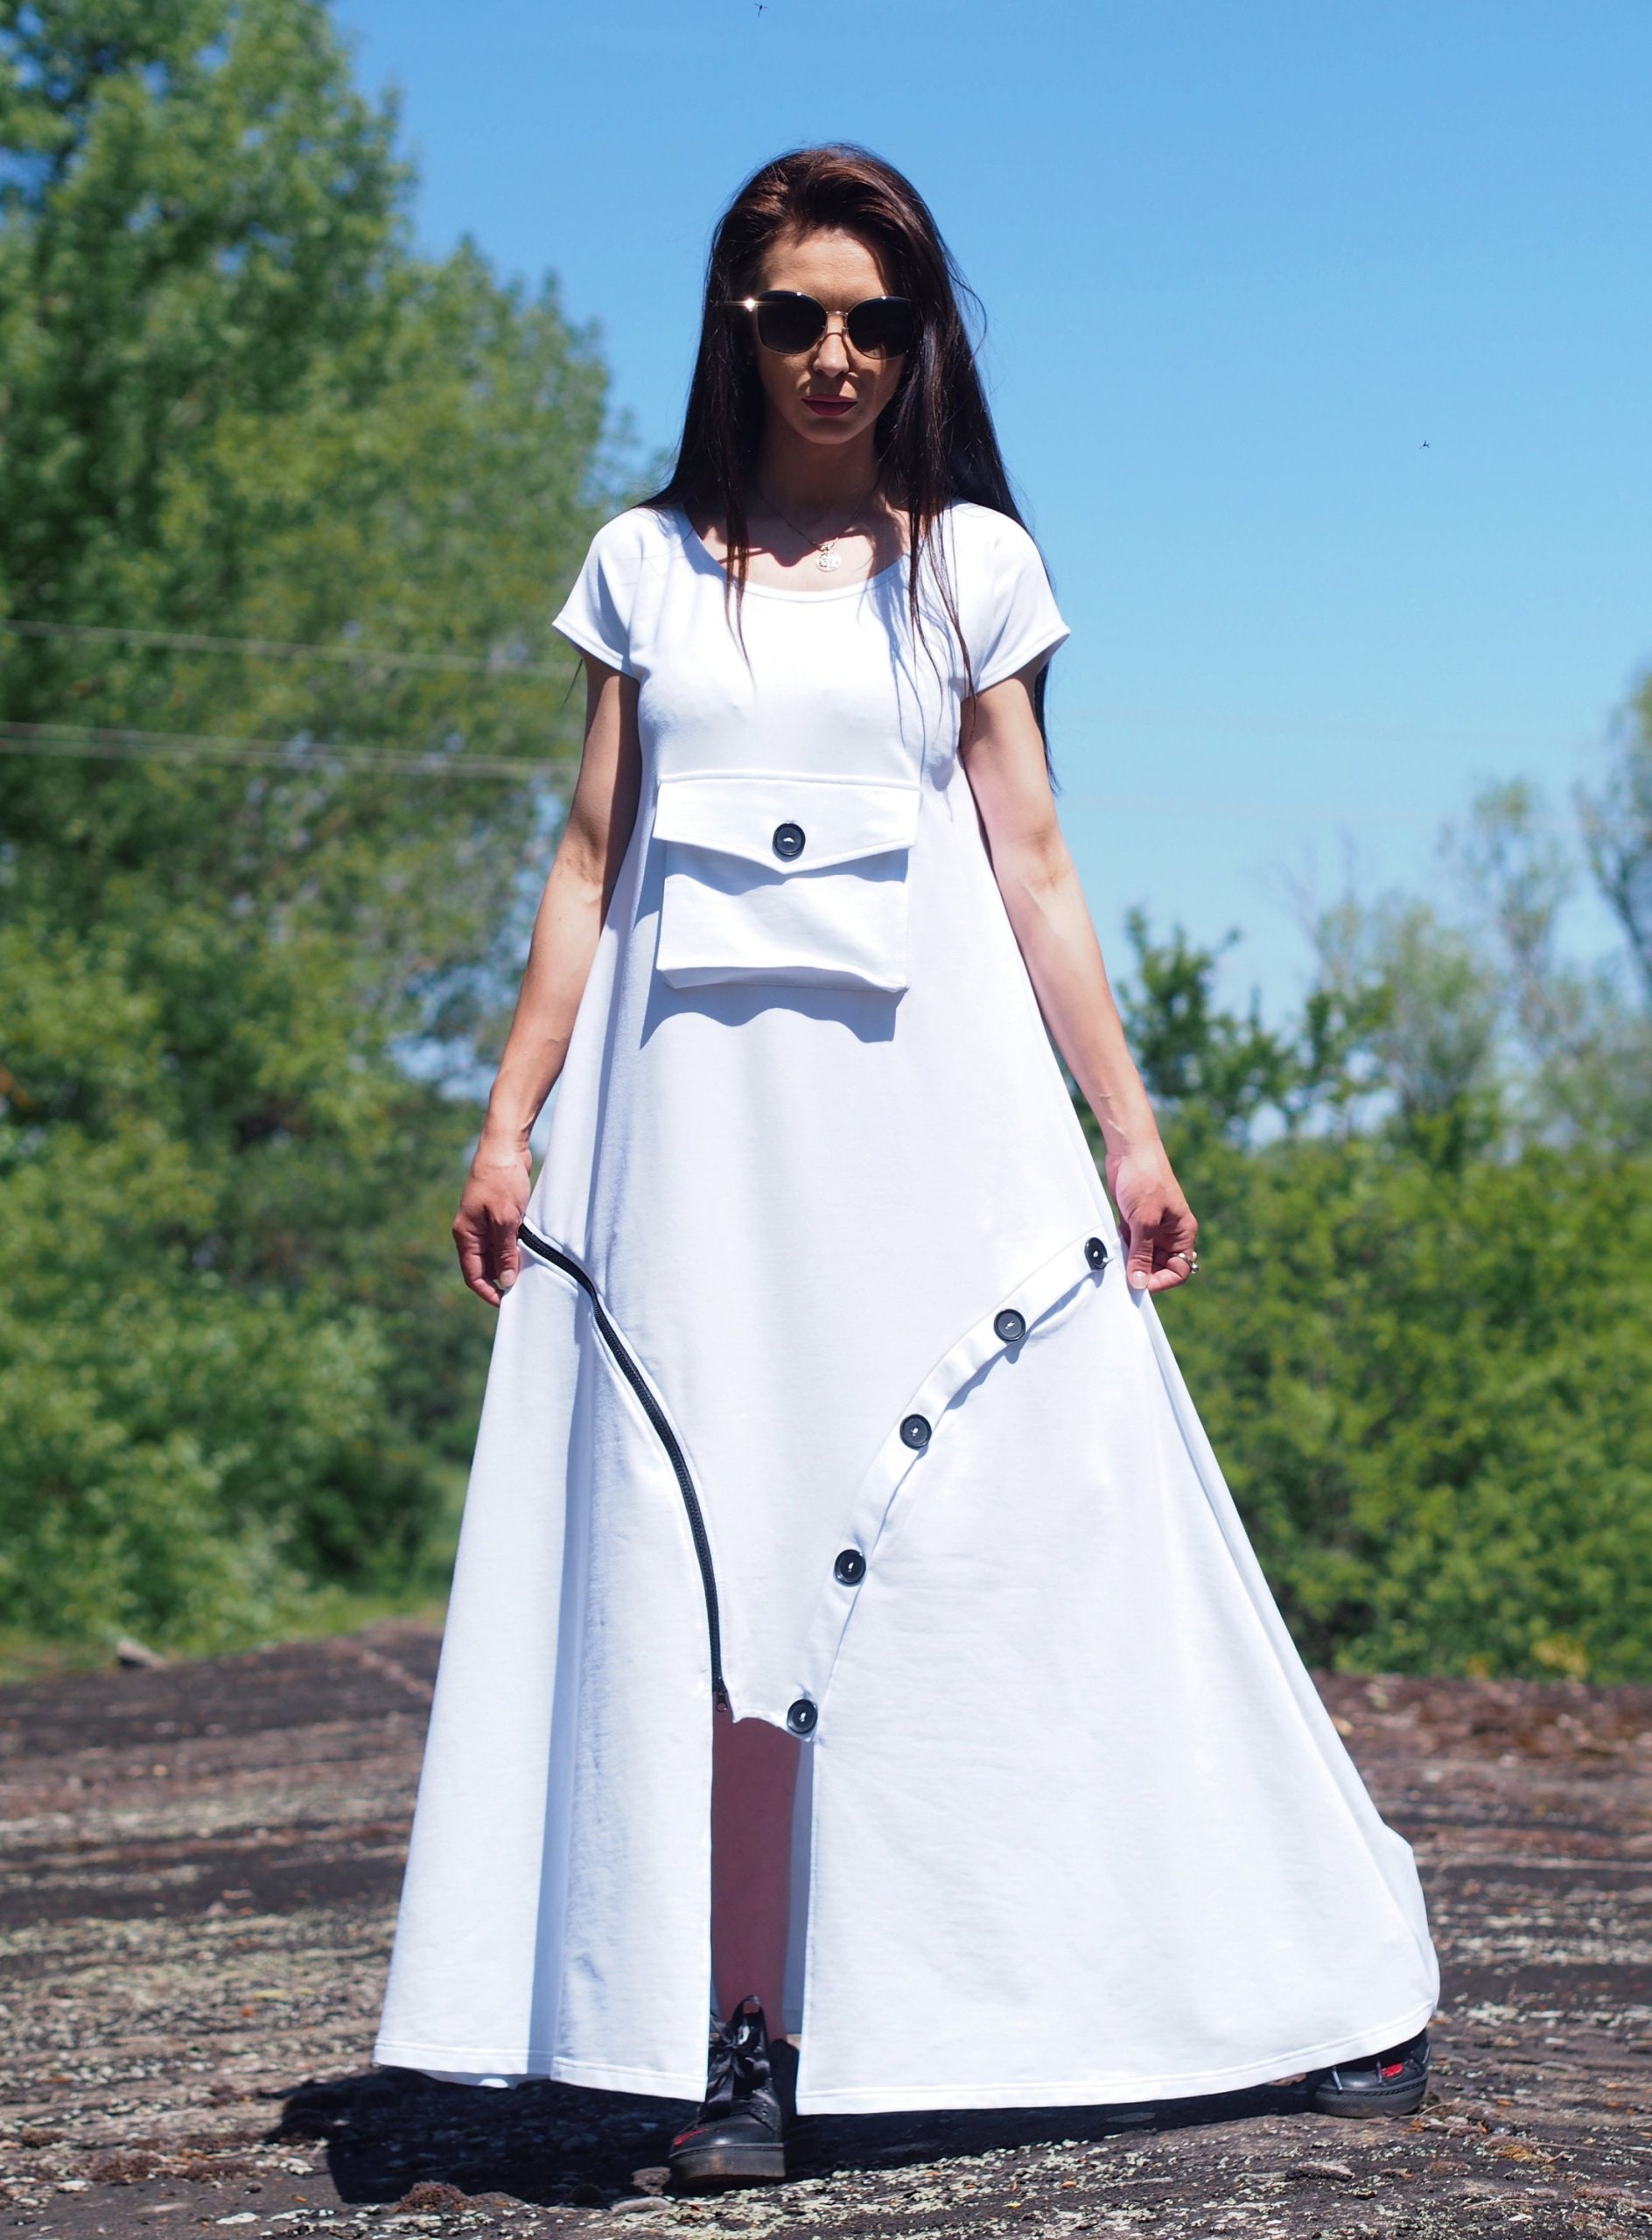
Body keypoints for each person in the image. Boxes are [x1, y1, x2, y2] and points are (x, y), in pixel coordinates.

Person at [372, 144, 1438, 2187]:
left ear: (920, 336)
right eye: (796, 316)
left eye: (874, 320)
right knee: (711, 1565)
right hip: (694, 1165)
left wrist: (1130, 1130)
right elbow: (588, 860)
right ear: (738, 323)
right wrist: (509, 1121)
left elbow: (1033, 861)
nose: (835, 356)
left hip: (938, 1151)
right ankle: (742, 2038)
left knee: (1063, 1533)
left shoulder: (974, 571)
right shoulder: (643, 568)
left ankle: (1317, 1967)